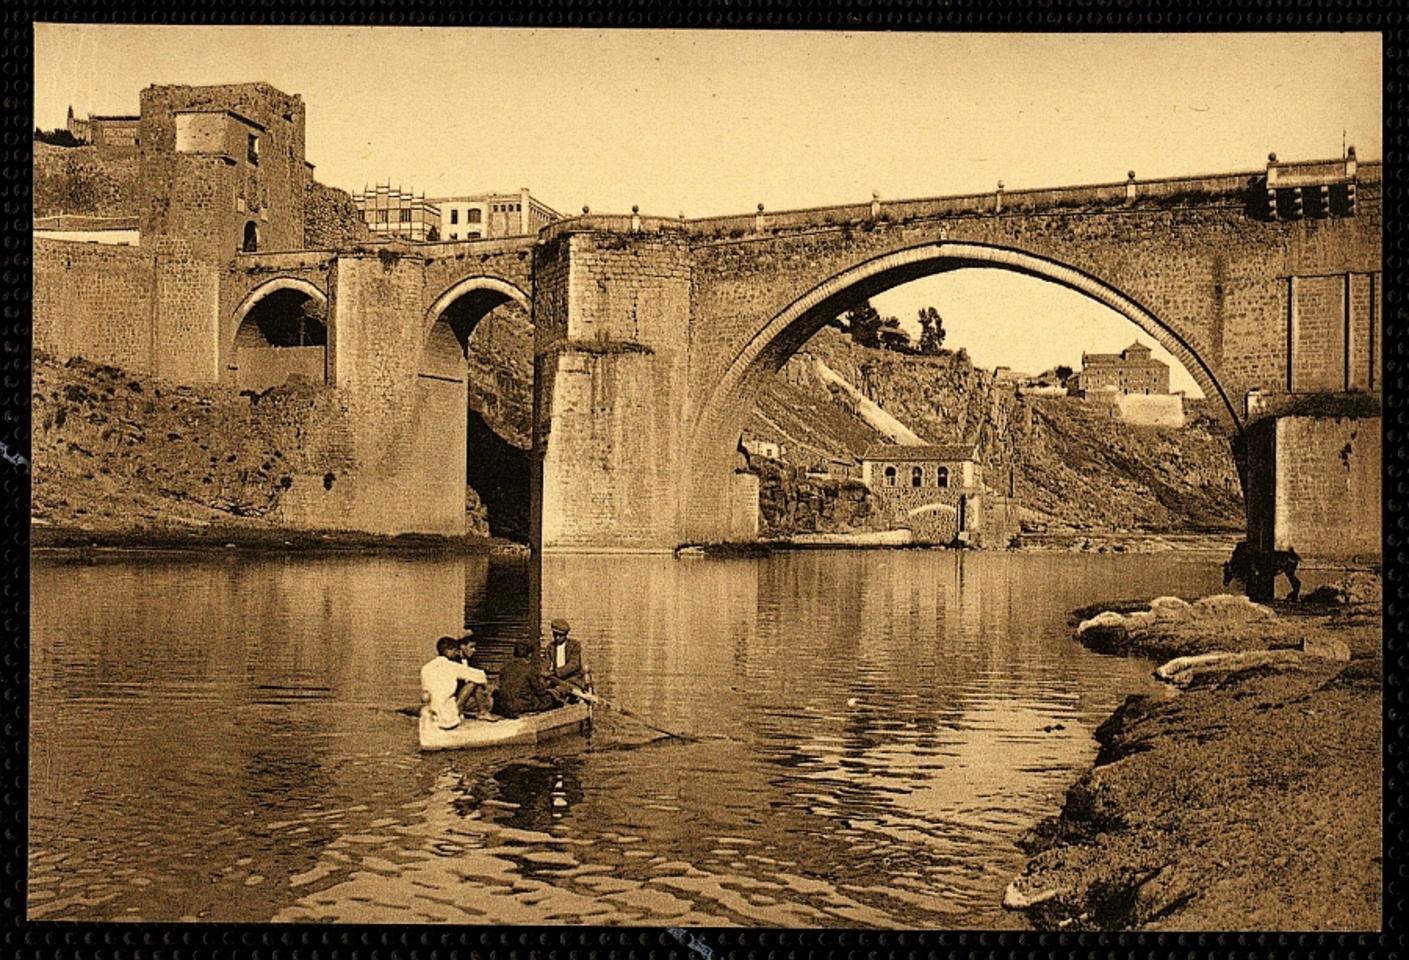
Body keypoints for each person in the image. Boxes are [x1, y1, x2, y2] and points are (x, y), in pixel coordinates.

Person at [420, 633, 493, 730]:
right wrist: (487, 687)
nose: (456, 653)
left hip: (432, 708)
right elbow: (479, 676)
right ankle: (483, 712)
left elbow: (425, 694)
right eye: (455, 650)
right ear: (448, 651)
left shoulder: (425, 668)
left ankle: (432, 719)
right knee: (474, 683)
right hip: (448, 711)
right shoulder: (452, 666)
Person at [492, 639, 557, 718]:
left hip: (503, 705)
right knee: (549, 699)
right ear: (529, 655)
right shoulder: (530, 669)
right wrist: (547, 685)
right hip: (520, 705)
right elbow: (540, 692)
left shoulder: (505, 667)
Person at [543, 619, 587, 702]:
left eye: (560, 635)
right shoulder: (550, 647)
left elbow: (574, 664)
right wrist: (543, 672)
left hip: (573, 680)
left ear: (566, 635)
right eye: (555, 634)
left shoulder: (574, 645)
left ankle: (553, 697)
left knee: (559, 690)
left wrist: (555, 672)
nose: (557, 637)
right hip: (556, 680)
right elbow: (545, 663)